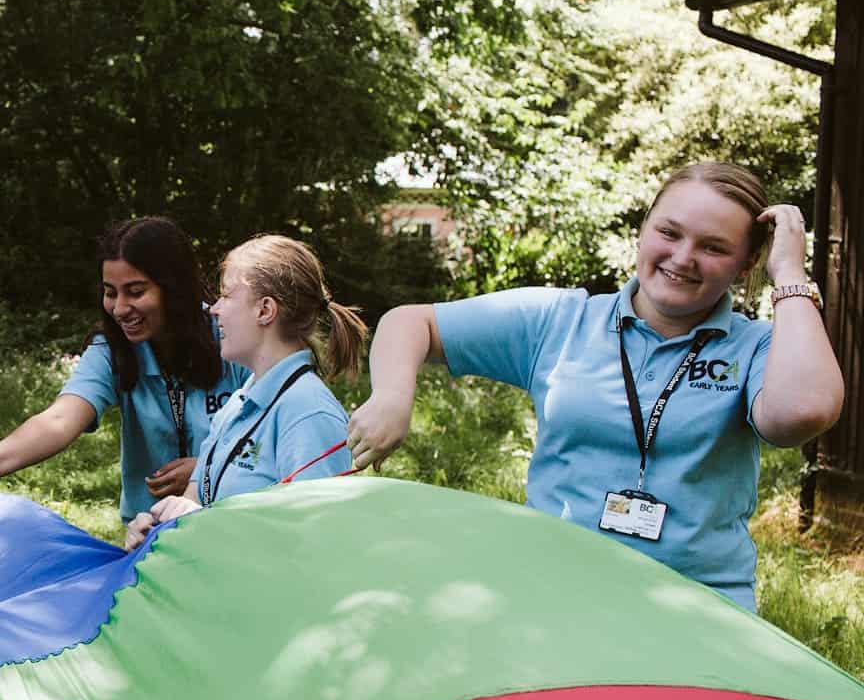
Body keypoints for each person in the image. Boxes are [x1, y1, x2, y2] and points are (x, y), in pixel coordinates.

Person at [346, 162, 844, 610]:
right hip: (552, 596)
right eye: (669, 232)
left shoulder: (756, 347)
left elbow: (800, 413)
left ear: (746, 263)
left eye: (714, 247)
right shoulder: (561, 320)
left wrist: (790, 275)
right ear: (643, 229)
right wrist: (391, 396)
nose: (683, 257)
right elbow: (411, 323)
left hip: (698, 612)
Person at [0, 217, 247, 525]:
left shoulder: (234, 337)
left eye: (135, 291)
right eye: (110, 292)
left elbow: (274, 442)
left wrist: (206, 470)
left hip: (234, 526)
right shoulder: (112, 349)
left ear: (173, 289)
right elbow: (59, 419)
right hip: (149, 533)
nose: (120, 308)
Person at [125, 235, 365, 551]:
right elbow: (197, 499)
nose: (214, 309)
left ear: (264, 310)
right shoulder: (240, 401)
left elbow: (317, 546)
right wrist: (158, 528)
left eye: (226, 295)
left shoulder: (308, 413)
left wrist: (204, 524)